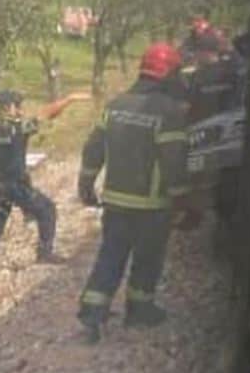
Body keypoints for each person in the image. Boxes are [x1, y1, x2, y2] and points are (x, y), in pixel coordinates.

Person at [76, 43, 191, 342]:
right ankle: (139, 310)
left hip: (115, 201)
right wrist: (182, 200)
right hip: (152, 205)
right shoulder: (168, 112)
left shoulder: (115, 105)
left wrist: (85, 184)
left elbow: (94, 149)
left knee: (111, 254)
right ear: (168, 73)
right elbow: (173, 161)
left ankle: (92, 311)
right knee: (147, 258)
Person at [0, 89, 88, 281]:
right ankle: (44, 253)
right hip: (17, 186)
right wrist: (69, 99)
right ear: (7, 108)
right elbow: (47, 114)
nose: (20, 110)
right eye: (17, 106)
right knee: (47, 210)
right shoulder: (16, 129)